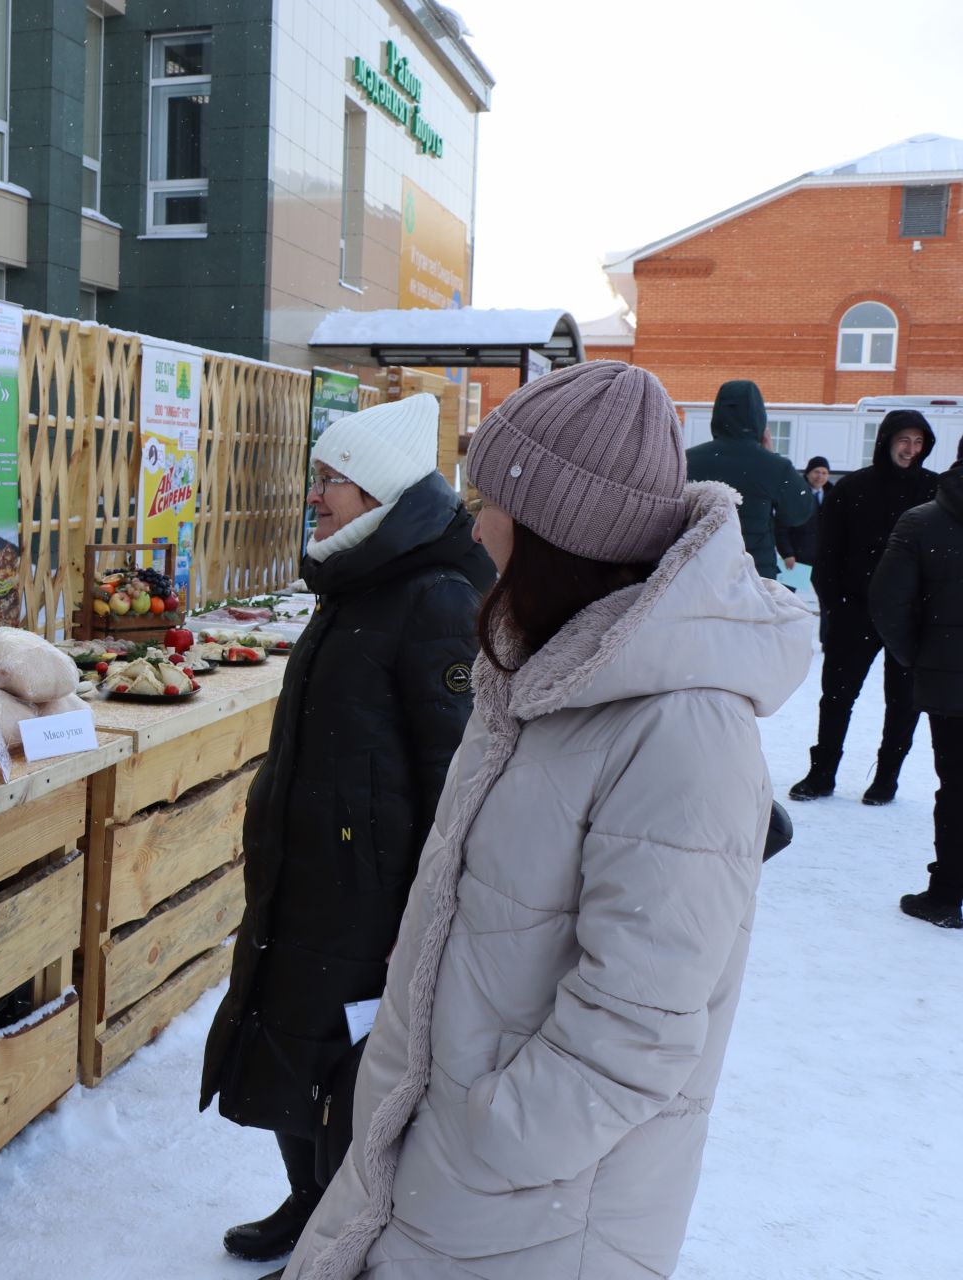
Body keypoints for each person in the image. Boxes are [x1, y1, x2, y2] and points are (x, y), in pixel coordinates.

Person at [285, 361, 813, 1280]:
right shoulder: (549, 672)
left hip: (532, 1212)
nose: (474, 519)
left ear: (558, 534)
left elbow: (636, 1029)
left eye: (491, 498)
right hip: (462, 1178)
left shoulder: (679, 725)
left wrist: (482, 1138)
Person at [200, 394, 493, 1272]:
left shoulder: (435, 594)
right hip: (311, 876)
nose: (316, 495)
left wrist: (430, 910)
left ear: (379, 492)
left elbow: (455, 770)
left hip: (372, 895)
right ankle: (307, 1205)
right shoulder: (354, 573)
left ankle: (342, 1237)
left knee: (344, 1074)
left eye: (332, 480)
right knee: (292, 1048)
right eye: (319, 477)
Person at [789, 410, 939, 805]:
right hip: (854, 611)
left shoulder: (935, 491)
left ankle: (886, 778)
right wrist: (834, 605)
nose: (910, 449)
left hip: (910, 616)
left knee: (903, 702)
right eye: (904, 440)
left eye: (918, 442)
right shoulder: (853, 488)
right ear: (887, 440)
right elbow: (828, 555)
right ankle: (822, 774)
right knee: (837, 696)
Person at [868, 437, 963, 929]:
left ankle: (948, 893)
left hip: (951, 685)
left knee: (957, 786)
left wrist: (920, 658)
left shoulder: (922, 520)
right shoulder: (923, 521)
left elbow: (886, 603)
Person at [685, 379, 814, 580]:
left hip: (698, 572)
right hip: (753, 575)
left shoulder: (687, 460)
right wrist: (772, 456)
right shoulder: (774, 466)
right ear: (759, 417)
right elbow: (799, 514)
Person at [776, 454, 833, 571]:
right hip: (797, 559)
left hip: (824, 559)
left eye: (824, 473)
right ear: (808, 473)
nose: (820, 476)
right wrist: (787, 553)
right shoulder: (795, 495)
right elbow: (782, 527)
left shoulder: (833, 496)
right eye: (816, 472)